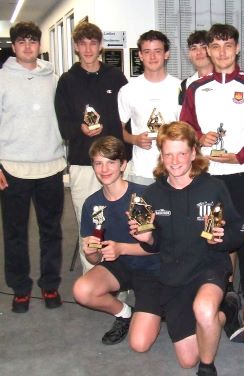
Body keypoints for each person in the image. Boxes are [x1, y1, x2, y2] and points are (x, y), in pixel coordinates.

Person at [130, 121, 244, 376]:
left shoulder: (213, 187)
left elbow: (238, 232)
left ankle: (207, 368)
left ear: (194, 153)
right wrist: (146, 239)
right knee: (186, 359)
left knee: (203, 310)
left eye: (182, 152)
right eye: (168, 153)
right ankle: (226, 310)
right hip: (175, 275)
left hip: (209, 265)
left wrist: (222, 239)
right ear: (161, 155)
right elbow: (155, 243)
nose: (175, 160)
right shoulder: (152, 194)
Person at [180, 23, 244, 304]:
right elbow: (184, 129)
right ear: (208, 50)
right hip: (207, 178)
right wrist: (199, 137)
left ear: (237, 48)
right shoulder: (196, 88)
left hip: (241, 177)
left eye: (228, 46)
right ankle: (211, 296)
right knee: (207, 236)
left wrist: (241, 155)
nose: (222, 52)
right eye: (215, 46)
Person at [0, 22, 65, 313]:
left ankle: (50, 284)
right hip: (12, 167)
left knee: (51, 231)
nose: (28, 46)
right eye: (22, 41)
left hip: (50, 166)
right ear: (13, 46)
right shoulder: (2, 79)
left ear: (39, 45)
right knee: (15, 233)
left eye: (33, 41)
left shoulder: (53, 77)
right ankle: (20, 288)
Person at [55, 21, 128, 274]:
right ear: (76, 47)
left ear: (100, 46)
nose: (88, 49)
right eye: (83, 43)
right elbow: (63, 125)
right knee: (90, 222)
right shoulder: (67, 81)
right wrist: (81, 129)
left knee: (120, 220)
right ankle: (94, 277)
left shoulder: (116, 77)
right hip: (83, 165)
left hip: (115, 164)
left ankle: (122, 278)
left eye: (93, 43)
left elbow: (125, 119)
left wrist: (126, 157)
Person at [72, 136, 160, 345]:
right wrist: (91, 251)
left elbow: (157, 249)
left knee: (140, 344)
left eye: (111, 162)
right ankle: (124, 313)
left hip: (151, 268)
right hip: (118, 266)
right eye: (98, 163)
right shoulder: (93, 204)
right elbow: (95, 260)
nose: (104, 169)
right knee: (82, 290)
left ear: (123, 165)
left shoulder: (141, 196)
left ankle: (156, 306)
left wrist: (121, 248)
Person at [118, 30, 181, 186]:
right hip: (142, 171)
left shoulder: (180, 87)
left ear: (167, 54)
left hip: (176, 170)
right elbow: (118, 129)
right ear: (140, 55)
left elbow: (188, 129)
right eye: (147, 52)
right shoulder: (128, 90)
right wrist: (134, 139)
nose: (152, 57)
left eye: (157, 51)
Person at [178, 29, 214, 104]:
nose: (198, 52)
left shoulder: (225, 80)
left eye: (203, 47)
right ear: (189, 54)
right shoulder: (185, 85)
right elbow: (182, 114)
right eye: (194, 48)